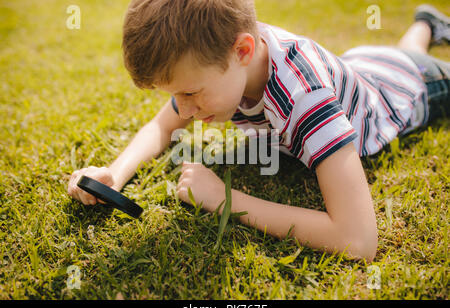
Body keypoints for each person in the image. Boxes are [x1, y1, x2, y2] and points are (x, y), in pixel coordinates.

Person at [67, 1, 449, 262]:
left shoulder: (305, 98)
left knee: (415, 61)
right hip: (364, 64)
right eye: (175, 95)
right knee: (403, 51)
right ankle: (425, 25)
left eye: (190, 93)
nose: (182, 110)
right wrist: (113, 175)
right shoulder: (222, 59)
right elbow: (162, 126)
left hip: (412, 86)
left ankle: (423, 32)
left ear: (243, 51)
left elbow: (358, 239)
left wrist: (224, 199)